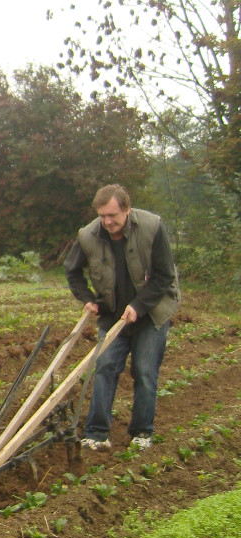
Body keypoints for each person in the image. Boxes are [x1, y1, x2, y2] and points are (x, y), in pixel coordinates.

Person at [64, 184, 180, 451]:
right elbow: (72, 271)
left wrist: (138, 305)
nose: (106, 222)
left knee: (144, 371)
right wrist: (87, 299)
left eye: (112, 216)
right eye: (102, 216)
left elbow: (164, 275)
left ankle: (142, 433)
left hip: (151, 312)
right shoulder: (89, 234)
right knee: (105, 368)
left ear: (127, 210)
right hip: (113, 314)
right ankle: (96, 433)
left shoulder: (152, 226)